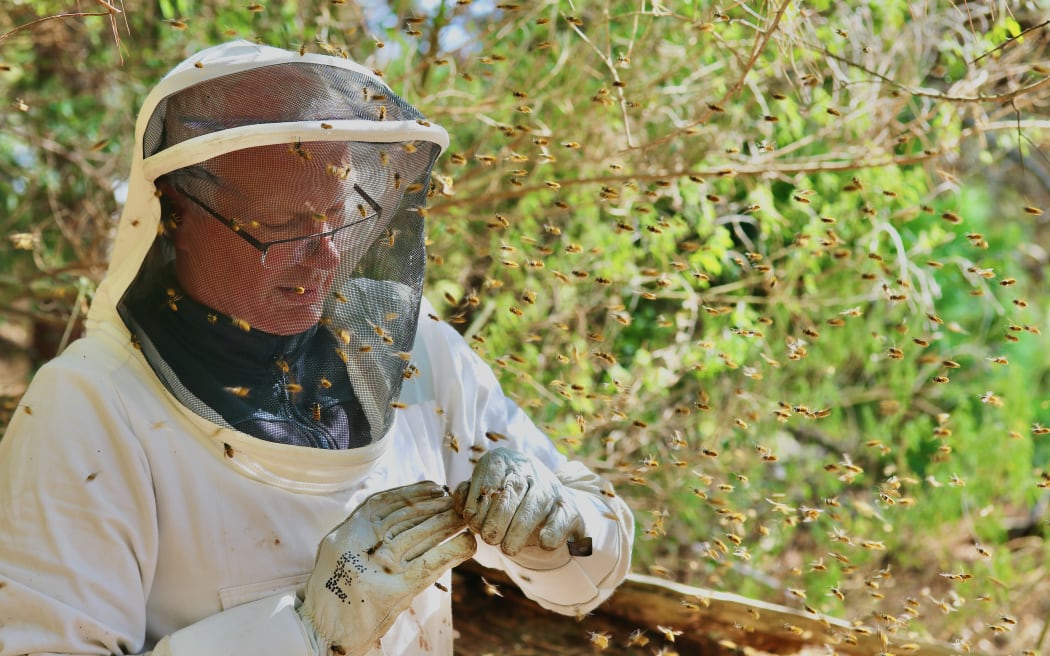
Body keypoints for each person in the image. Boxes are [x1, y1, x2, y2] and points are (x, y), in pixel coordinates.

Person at [0, 41, 634, 655]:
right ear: (178, 220)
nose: (327, 253)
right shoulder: (88, 407)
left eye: (338, 216)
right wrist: (304, 632)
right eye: (281, 227)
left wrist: (554, 523)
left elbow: (591, 571)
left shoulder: (410, 349)